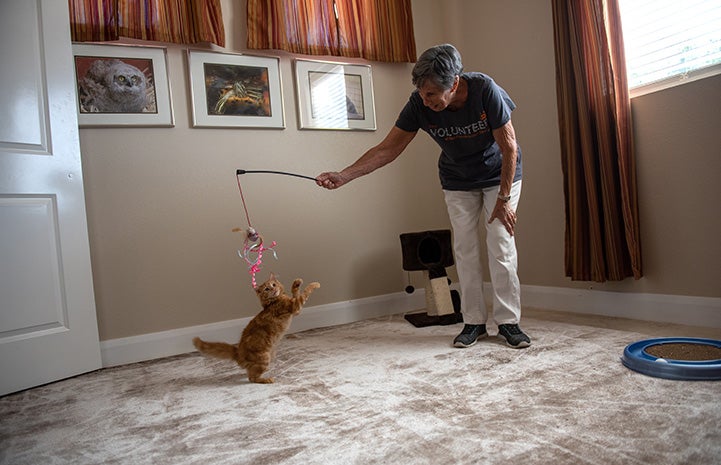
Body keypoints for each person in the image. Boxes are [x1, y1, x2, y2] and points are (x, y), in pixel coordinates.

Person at [316, 44, 530, 349]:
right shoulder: (418, 104)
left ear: (454, 84)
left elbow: (509, 147)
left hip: (500, 176)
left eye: (431, 94)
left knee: (500, 242)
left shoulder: (486, 91)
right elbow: (388, 149)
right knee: (465, 247)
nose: (425, 100)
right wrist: (344, 175)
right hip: (457, 179)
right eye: (421, 93)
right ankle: (474, 321)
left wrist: (504, 199)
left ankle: (509, 322)